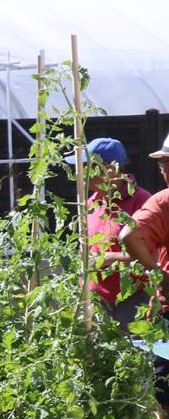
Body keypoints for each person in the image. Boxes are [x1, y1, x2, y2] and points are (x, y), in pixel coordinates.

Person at [71, 137, 151, 323]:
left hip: (133, 300)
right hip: (96, 300)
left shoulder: (142, 202)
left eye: (88, 166)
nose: (82, 173)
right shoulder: (90, 203)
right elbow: (85, 249)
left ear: (111, 169)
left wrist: (110, 258)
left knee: (133, 350)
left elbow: (153, 254)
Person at [119, 134, 169, 408]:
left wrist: (159, 274)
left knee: (166, 401)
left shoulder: (164, 202)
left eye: (164, 164)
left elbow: (130, 234)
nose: (162, 171)